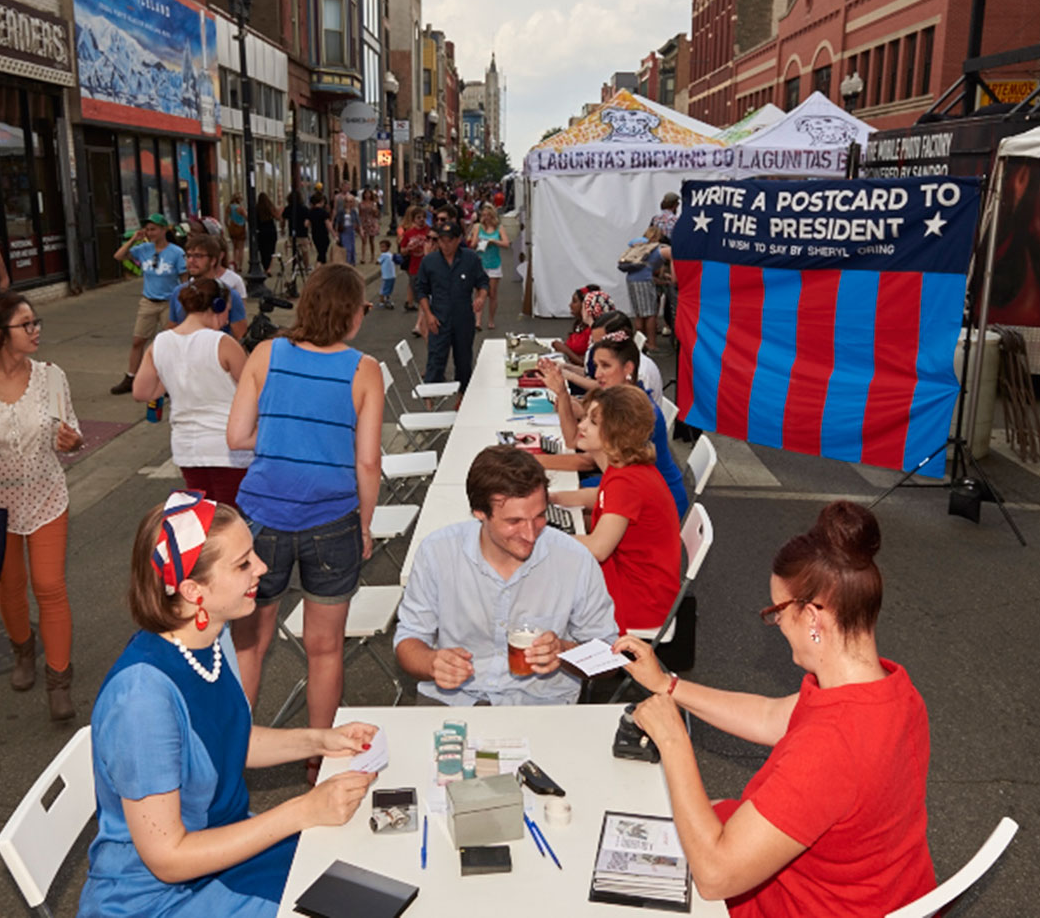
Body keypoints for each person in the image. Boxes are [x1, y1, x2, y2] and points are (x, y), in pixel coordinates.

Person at [609, 501, 936, 916]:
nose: (777, 625)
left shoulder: (830, 747)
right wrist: (668, 687)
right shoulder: (892, 691)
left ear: (814, 617)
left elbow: (714, 875)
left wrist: (673, 739)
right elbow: (770, 716)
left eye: (778, 612)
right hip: (878, 891)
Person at [79, 493, 377, 918]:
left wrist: (319, 740)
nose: (262, 567)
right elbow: (168, 859)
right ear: (192, 590)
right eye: (243, 564)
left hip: (220, 852)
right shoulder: (141, 700)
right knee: (352, 895)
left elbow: (226, 740)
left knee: (362, 875)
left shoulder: (209, 639)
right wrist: (301, 810)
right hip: (158, 899)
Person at [226, 264, 382, 765]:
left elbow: (237, 437)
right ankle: (323, 759)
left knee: (249, 645)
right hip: (332, 520)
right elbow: (367, 461)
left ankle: (233, 753)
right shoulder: (365, 370)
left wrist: (281, 441)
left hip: (260, 519)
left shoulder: (265, 354)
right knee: (325, 648)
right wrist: (364, 524)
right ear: (353, 316)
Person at [0, 290, 84, 720]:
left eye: (35, 321)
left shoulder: (51, 375)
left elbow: (73, 431)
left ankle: (59, 679)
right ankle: (23, 650)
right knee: (10, 587)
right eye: (26, 324)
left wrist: (72, 440)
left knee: (50, 586)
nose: (36, 329)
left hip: (46, 497)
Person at [393, 446, 618, 706]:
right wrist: (432, 663)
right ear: (480, 513)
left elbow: (608, 660)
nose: (531, 534)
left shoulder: (574, 560)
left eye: (539, 516)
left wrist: (565, 652)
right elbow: (409, 640)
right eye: (514, 522)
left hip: (541, 703)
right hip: (454, 699)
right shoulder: (437, 553)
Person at [550, 386, 680, 632]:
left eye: (593, 422)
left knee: (544, 580)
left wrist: (541, 536)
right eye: (586, 417)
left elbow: (599, 548)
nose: (582, 425)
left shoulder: (625, 482)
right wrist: (552, 498)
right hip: (646, 586)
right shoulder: (626, 470)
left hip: (639, 600)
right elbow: (600, 496)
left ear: (616, 433)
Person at [540, 332, 687, 518]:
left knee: (560, 515)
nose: (597, 374)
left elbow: (587, 461)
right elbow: (574, 442)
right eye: (596, 366)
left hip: (660, 503)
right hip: (629, 487)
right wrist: (561, 394)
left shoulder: (636, 412)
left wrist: (532, 460)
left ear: (628, 368)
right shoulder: (616, 400)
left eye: (605, 366)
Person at [134, 277, 252, 505]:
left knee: (205, 517)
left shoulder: (160, 343)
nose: (228, 317)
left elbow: (142, 392)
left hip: (187, 448)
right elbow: (254, 391)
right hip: (228, 448)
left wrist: (170, 380)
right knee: (231, 519)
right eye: (227, 310)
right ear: (217, 307)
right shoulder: (223, 343)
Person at [110, 214, 187, 395]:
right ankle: (130, 376)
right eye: (147, 229)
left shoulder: (176, 252)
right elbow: (118, 256)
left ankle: (170, 380)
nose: (149, 233)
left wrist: (182, 303)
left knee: (169, 343)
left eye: (153, 229)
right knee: (138, 340)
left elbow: (184, 280)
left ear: (163, 230)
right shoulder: (144, 249)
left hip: (169, 302)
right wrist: (133, 240)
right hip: (148, 301)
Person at [414, 218, 489, 395]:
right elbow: (421, 291)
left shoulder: (469, 258)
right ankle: (430, 401)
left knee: (463, 360)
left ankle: (463, 397)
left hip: (463, 317)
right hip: (438, 318)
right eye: (441, 241)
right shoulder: (430, 262)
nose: (445, 245)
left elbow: (483, 281)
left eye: (449, 241)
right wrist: (428, 315)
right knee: (436, 359)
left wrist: (481, 297)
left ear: (458, 240)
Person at [169, 235, 248, 341]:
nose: (191, 260)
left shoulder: (229, 294)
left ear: (213, 261)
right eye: (188, 256)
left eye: (198, 256)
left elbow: (241, 337)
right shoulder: (178, 292)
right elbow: (172, 330)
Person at [469, 203, 510, 331]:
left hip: (493, 264)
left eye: (488, 215)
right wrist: (475, 242)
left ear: (492, 216)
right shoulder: (478, 227)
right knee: (479, 292)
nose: (485, 217)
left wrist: (494, 241)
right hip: (480, 263)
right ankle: (478, 320)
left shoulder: (499, 228)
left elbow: (506, 243)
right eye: (483, 215)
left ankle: (491, 319)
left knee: (492, 293)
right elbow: (472, 244)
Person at [626, 233, 666, 353]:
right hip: (644, 283)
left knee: (639, 314)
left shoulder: (638, 252)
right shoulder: (656, 250)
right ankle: (652, 345)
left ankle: (641, 343)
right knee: (650, 314)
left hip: (632, 281)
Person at [549, 285, 599, 366]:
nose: (570, 305)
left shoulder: (593, 331)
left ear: (585, 305)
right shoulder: (580, 324)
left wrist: (565, 350)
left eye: (574, 301)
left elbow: (587, 365)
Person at [398, 205, 430, 324]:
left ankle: (420, 323)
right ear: (413, 220)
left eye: (423, 217)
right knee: (418, 294)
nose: (421, 220)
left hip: (427, 267)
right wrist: (408, 248)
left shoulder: (429, 231)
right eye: (418, 217)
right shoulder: (409, 233)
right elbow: (402, 250)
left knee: (424, 296)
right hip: (414, 266)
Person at [254, 193, 280, 276]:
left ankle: (265, 267)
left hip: (261, 232)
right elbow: (278, 217)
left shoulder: (256, 209)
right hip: (271, 231)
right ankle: (269, 269)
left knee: (263, 250)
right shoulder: (270, 208)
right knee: (271, 250)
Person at [305, 192, 332, 266]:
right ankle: (318, 267)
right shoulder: (323, 212)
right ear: (321, 201)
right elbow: (328, 225)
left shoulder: (310, 212)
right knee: (322, 253)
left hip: (315, 234)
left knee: (321, 252)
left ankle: (323, 267)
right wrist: (334, 234)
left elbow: (306, 224)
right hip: (323, 234)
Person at [226, 193, 248, 273]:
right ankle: (240, 266)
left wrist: (229, 227)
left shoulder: (229, 207)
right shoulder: (241, 209)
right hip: (241, 228)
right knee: (241, 248)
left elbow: (226, 220)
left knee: (234, 248)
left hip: (232, 227)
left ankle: (234, 263)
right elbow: (247, 217)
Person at [358, 189, 380, 264]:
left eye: (368, 194)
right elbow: (360, 214)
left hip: (372, 222)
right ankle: (363, 257)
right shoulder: (361, 204)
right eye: (366, 194)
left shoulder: (373, 203)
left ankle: (372, 257)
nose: (367, 195)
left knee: (371, 241)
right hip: (364, 222)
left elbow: (377, 215)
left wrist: (375, 211)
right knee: (364, 240)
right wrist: (359, 224)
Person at [376, 239, 397, 309]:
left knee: (383, 289)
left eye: (383, 247)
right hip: (392, 275)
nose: (381, 248)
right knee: (388, 289)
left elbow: (378, 262)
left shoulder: (384, 255)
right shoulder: (390, 255)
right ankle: (387, 300)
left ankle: (381, 302)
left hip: (386, 276)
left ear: (388, 248)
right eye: (381, 247)